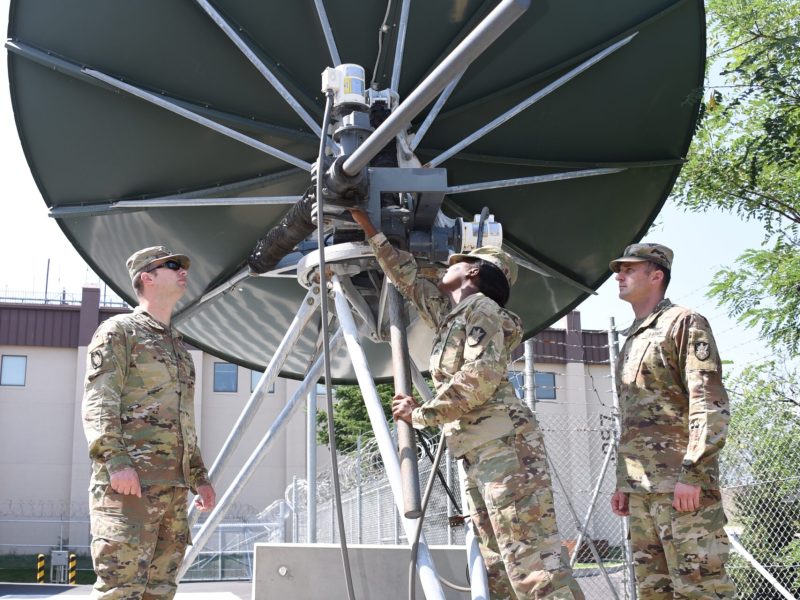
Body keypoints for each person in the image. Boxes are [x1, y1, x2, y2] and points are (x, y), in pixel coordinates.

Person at [349, 208, 584, 600]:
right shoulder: (452, 316)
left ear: (473, 272)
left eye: (456, 264)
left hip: (505, 448)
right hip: (480, 449)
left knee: (531, 563)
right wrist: (369, 228)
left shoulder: (483, 311)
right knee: (498, 568)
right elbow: (407, 279)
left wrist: (421, 413)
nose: (446, 268)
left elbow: (480, 376)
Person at [82, 246, 216, 599]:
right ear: (147, 276)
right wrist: (116, 462)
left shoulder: (179, 348)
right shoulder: (119, 332)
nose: (183, 270)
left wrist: (199, 478)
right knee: (120, 591)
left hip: (173, 492)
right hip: (130, 489)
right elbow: (99, 402)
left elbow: (184, 420)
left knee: (160, 591)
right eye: (173, 265)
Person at [609, 243, 736, 599]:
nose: (619, 275)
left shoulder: (683, 322)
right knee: (654, 592)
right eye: (618, 269)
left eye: (629, 269)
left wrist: (694, 473)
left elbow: (708, 401)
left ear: (656, 275)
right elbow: (634, 418)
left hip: (680, 488)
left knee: (701, 589)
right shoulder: (633, 337)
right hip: (641, 490)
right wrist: (624, 482)